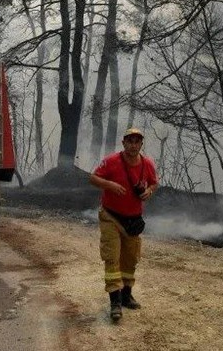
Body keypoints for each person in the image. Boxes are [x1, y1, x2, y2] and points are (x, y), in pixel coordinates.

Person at [89, 127, 159, 322]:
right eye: (130, 141)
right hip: (110, 217)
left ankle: (127, 296)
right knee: (112, 258)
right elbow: (93, 178)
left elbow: (154, 183)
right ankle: (115, 302)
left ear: (141, 144)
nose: (133, 145)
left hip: (133, 220)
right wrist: (109, 185)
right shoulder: (111, 161)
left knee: (130, 259)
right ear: (123, 143)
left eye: (137, 142)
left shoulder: (147, 164)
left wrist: (149, 191)